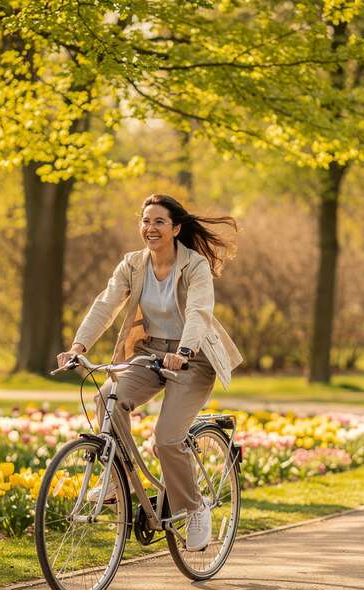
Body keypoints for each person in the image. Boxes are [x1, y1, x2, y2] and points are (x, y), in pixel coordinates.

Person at [57, 194, 243, 552]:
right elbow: (105, 304)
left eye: (159, 221)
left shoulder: (195, 266)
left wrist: (185, 351)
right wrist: (79, 347)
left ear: (175, 229)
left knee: (166, 439)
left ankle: (195, 508)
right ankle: (117, 482)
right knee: (107, 398)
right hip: (151, 352)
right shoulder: (132, 265)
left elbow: (199, 312)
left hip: (193, 357)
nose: (150, 228)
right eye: (145, 221)